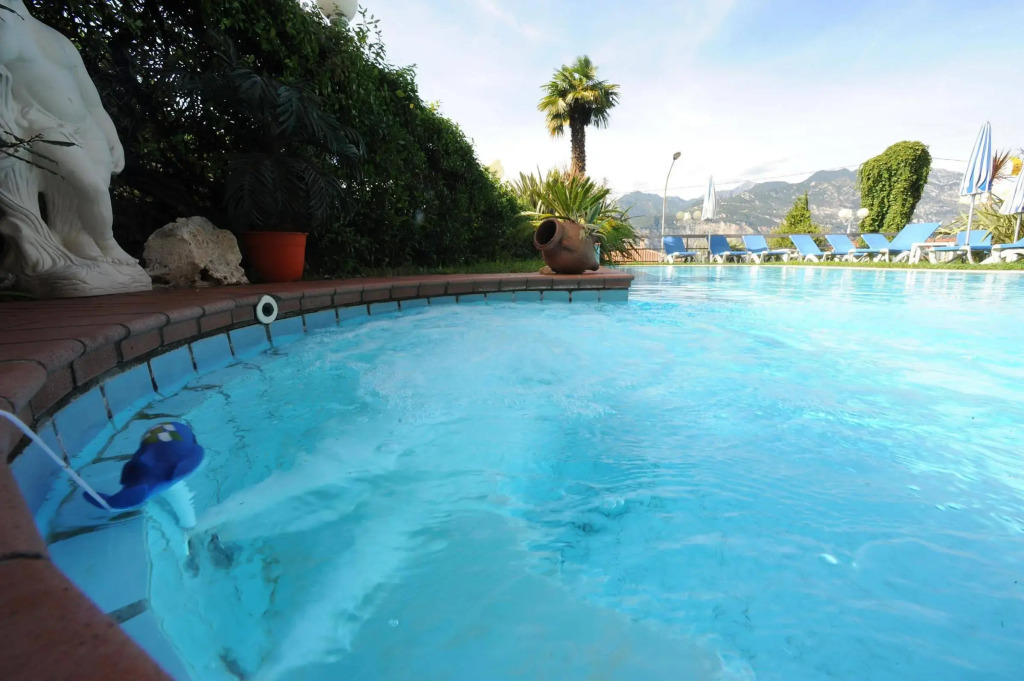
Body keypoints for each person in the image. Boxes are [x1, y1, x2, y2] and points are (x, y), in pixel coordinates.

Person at [0, 0, 134, 264]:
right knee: (92, 187)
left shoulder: (56, 38)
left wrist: (112, 137)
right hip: (42, 125)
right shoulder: (5, 25)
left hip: (86, 127)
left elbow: (92, 101)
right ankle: (108, 244)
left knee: (96, 190)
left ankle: (77, 237)